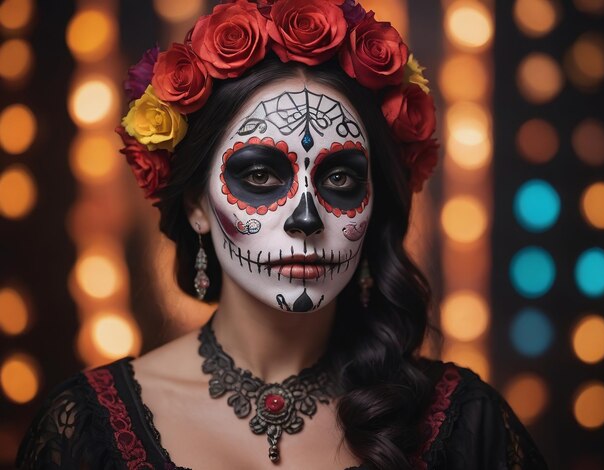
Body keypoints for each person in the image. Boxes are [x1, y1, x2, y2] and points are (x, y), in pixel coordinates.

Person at [16, 1, 548, 469]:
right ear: (197, 206)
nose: (306, 219)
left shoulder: (465, 421)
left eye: (340, 179)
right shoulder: (84, 428)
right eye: (261, 175)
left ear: (374, 206)